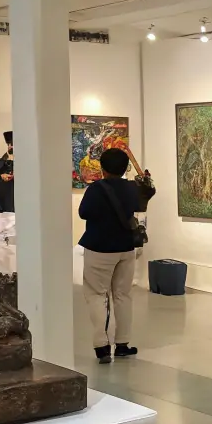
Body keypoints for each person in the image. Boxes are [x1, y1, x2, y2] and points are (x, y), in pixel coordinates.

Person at [78, 147, 143, 364]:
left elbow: (83, 213)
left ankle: (102, 346)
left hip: (99, 247)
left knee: (97, 295)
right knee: (123, 295)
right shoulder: (131, 188)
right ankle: (123, 344)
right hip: (126, 248)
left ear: (102, 168)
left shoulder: (97, 189)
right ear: (125, 168)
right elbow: (139, 204)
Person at [0, 130, 15, 246]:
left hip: (18, 200)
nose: (11, 146)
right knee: (2, 229)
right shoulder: (3, 160)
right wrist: (2, 176)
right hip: (4, 199)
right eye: (9, 144)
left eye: (13, 144)